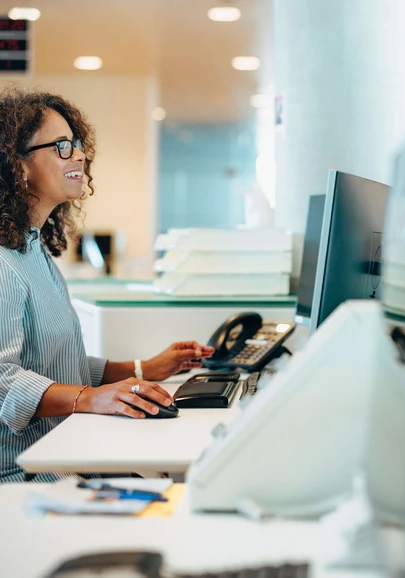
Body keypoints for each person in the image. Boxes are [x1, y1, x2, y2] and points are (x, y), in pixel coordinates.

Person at [0, 87, 215, 483]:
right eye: (62, 146)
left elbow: (54, 364)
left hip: (63, 451)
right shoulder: (3, 261)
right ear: (17, 164)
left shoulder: (33, 249)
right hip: (24, 472)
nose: (79, 155)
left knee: (177, 479)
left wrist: (144, 368)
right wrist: (88, 397)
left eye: (77, 144)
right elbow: (3, 378)